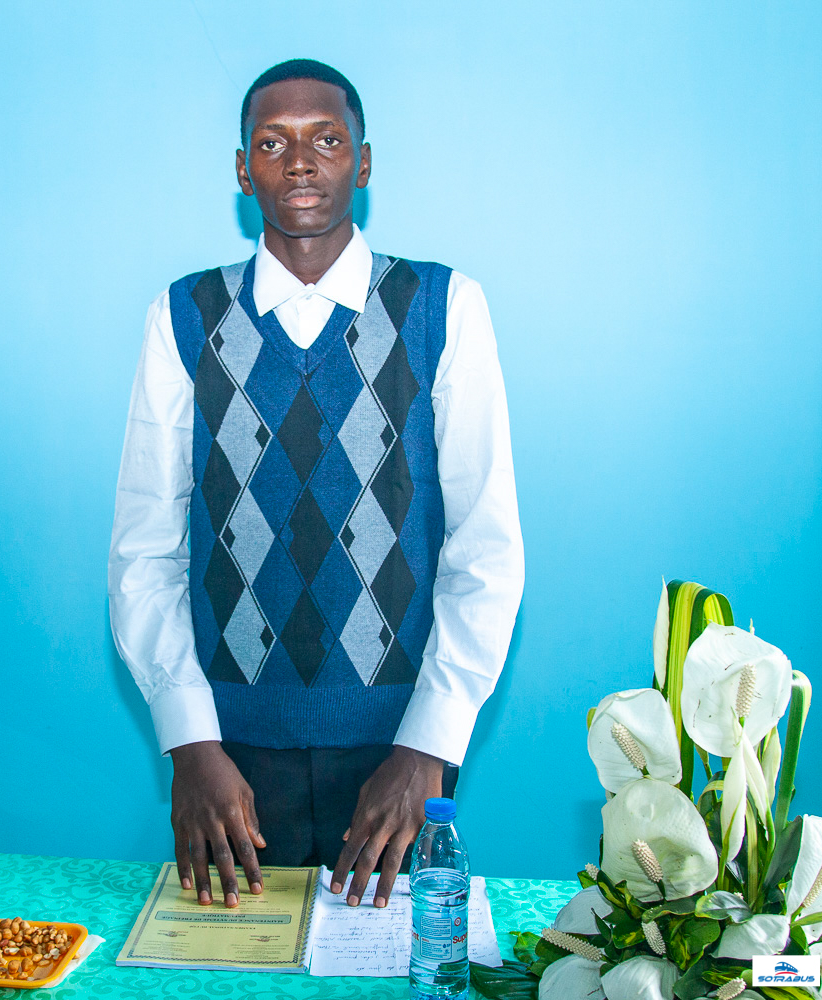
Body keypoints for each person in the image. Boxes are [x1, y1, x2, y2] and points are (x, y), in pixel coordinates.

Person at [108, 59, 523, 913]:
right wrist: (188, 744)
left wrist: (429, 747)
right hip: (226, 758)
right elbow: (145, 548)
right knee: (229, 963)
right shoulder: (183, 315)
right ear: (242, 170)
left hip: (399, 755)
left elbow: (483, 547)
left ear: (362, 163)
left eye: (326, 140)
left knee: (391, 961)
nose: (299, 161)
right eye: (272, 143)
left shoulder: (442, 306)